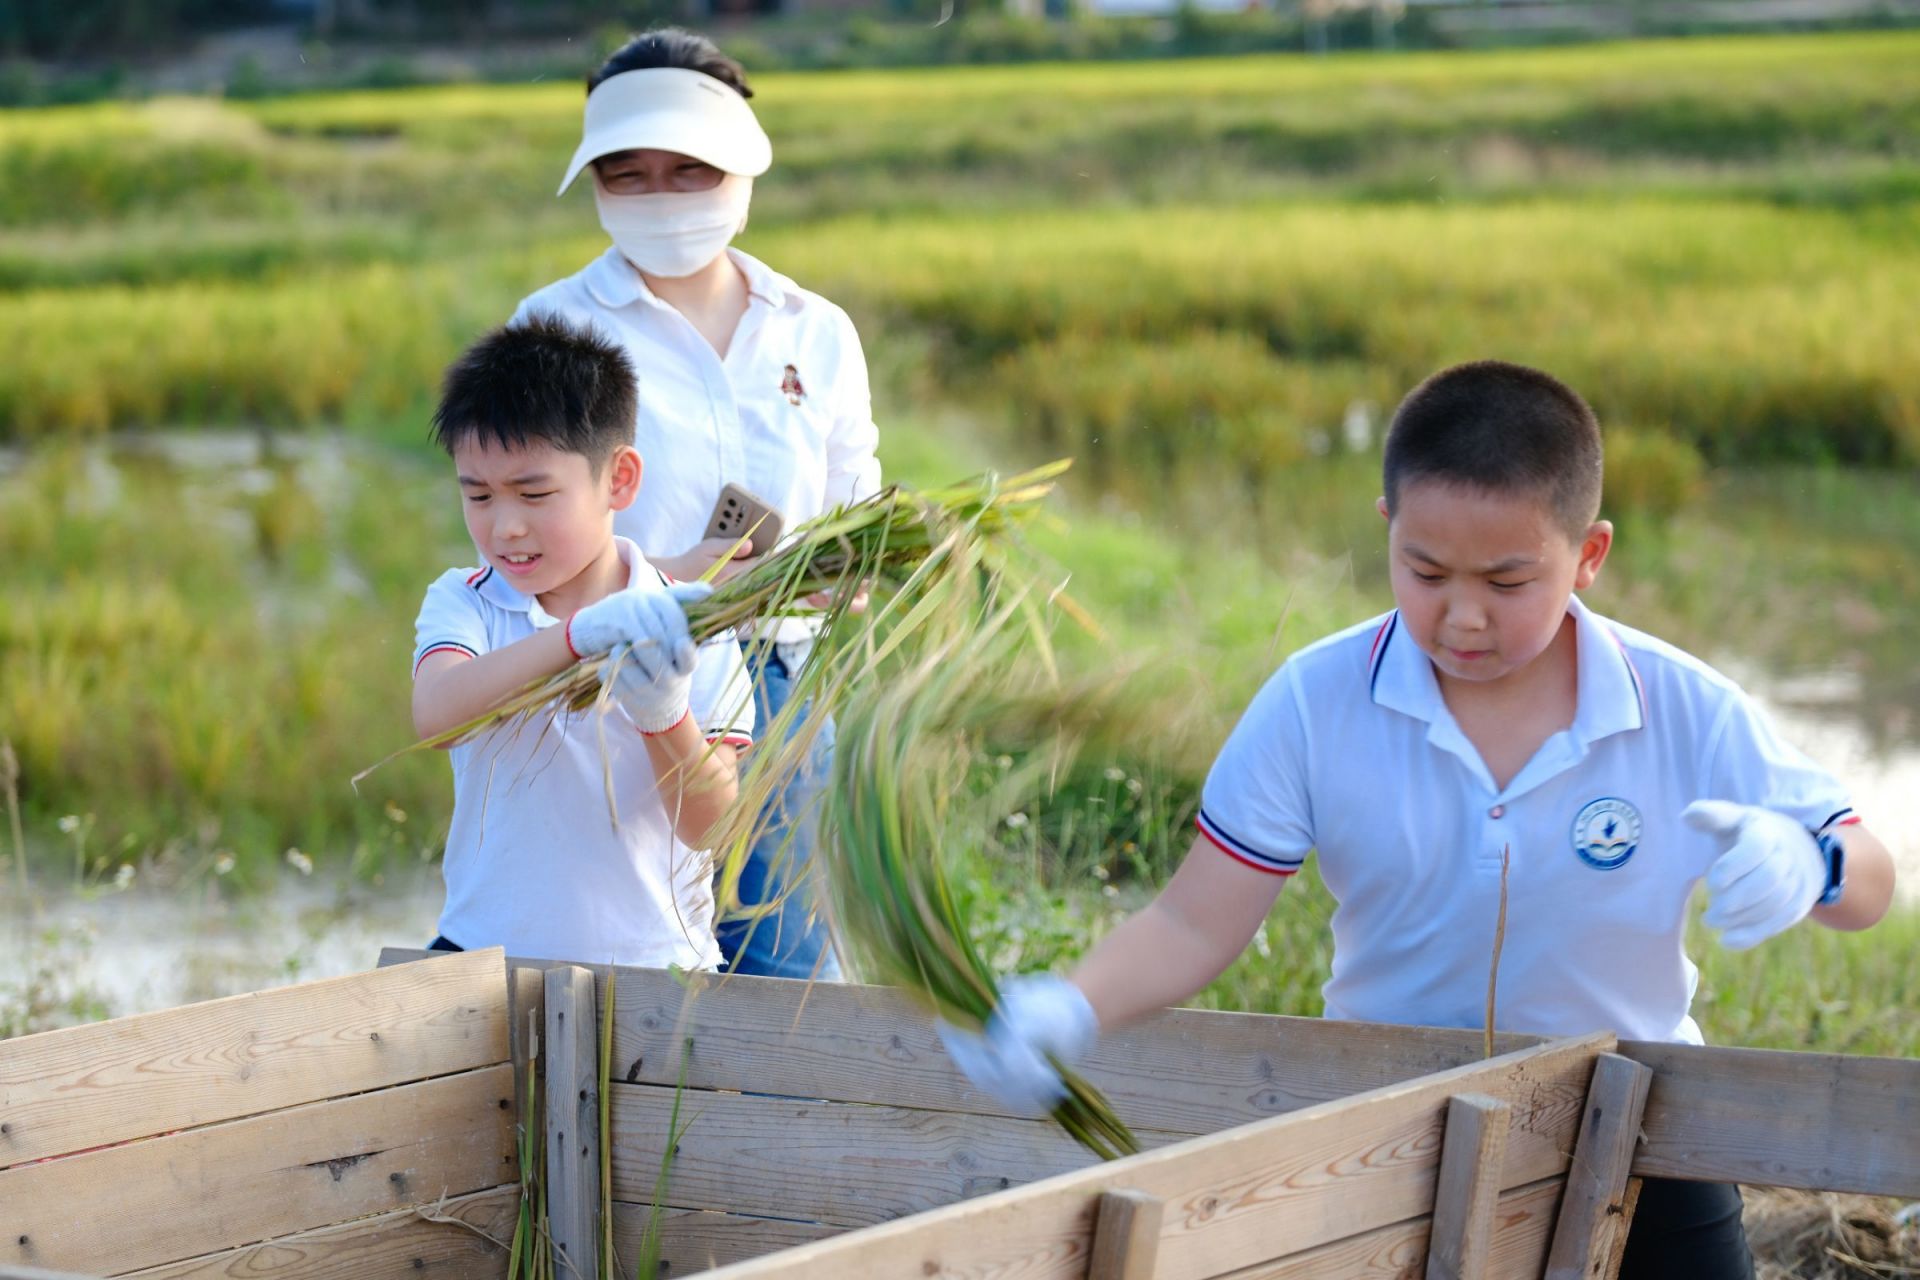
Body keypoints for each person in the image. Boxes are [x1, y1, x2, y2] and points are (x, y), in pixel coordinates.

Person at [943, 360, 1896, 1279]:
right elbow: (1196, 920)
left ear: (1590, 554)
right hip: (1377, 1130)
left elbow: (1872, 878)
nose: (1462, 618)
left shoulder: (1684, 705)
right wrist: (1072, 1005)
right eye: (1426, 571)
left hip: (1640, 1120)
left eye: (1507, 582)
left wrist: (1816, 864)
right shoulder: (1315, 702)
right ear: (1386, 526)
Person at [510, 29, 880, 980]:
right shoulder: (553, 331)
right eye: (627, 174)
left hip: (788, 687)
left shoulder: (815, 331)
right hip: (619, 682)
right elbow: (520, 535)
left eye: (689, 169)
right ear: (592, 183)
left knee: (788, 973)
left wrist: (845, 572)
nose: (661, 195)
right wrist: (665, 580)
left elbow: (856, 507)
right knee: (621, 968)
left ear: (742, 169)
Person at [411, 315, 755, 969]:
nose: (505, 527)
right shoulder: (468, 601)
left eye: (534, 493)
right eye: (478, 495)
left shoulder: (691, 623)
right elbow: (437, 716)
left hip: (661, 970)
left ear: (619, 479)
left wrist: (664, 715)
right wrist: (579, 637)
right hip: (484, 960)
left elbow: (711, 825)